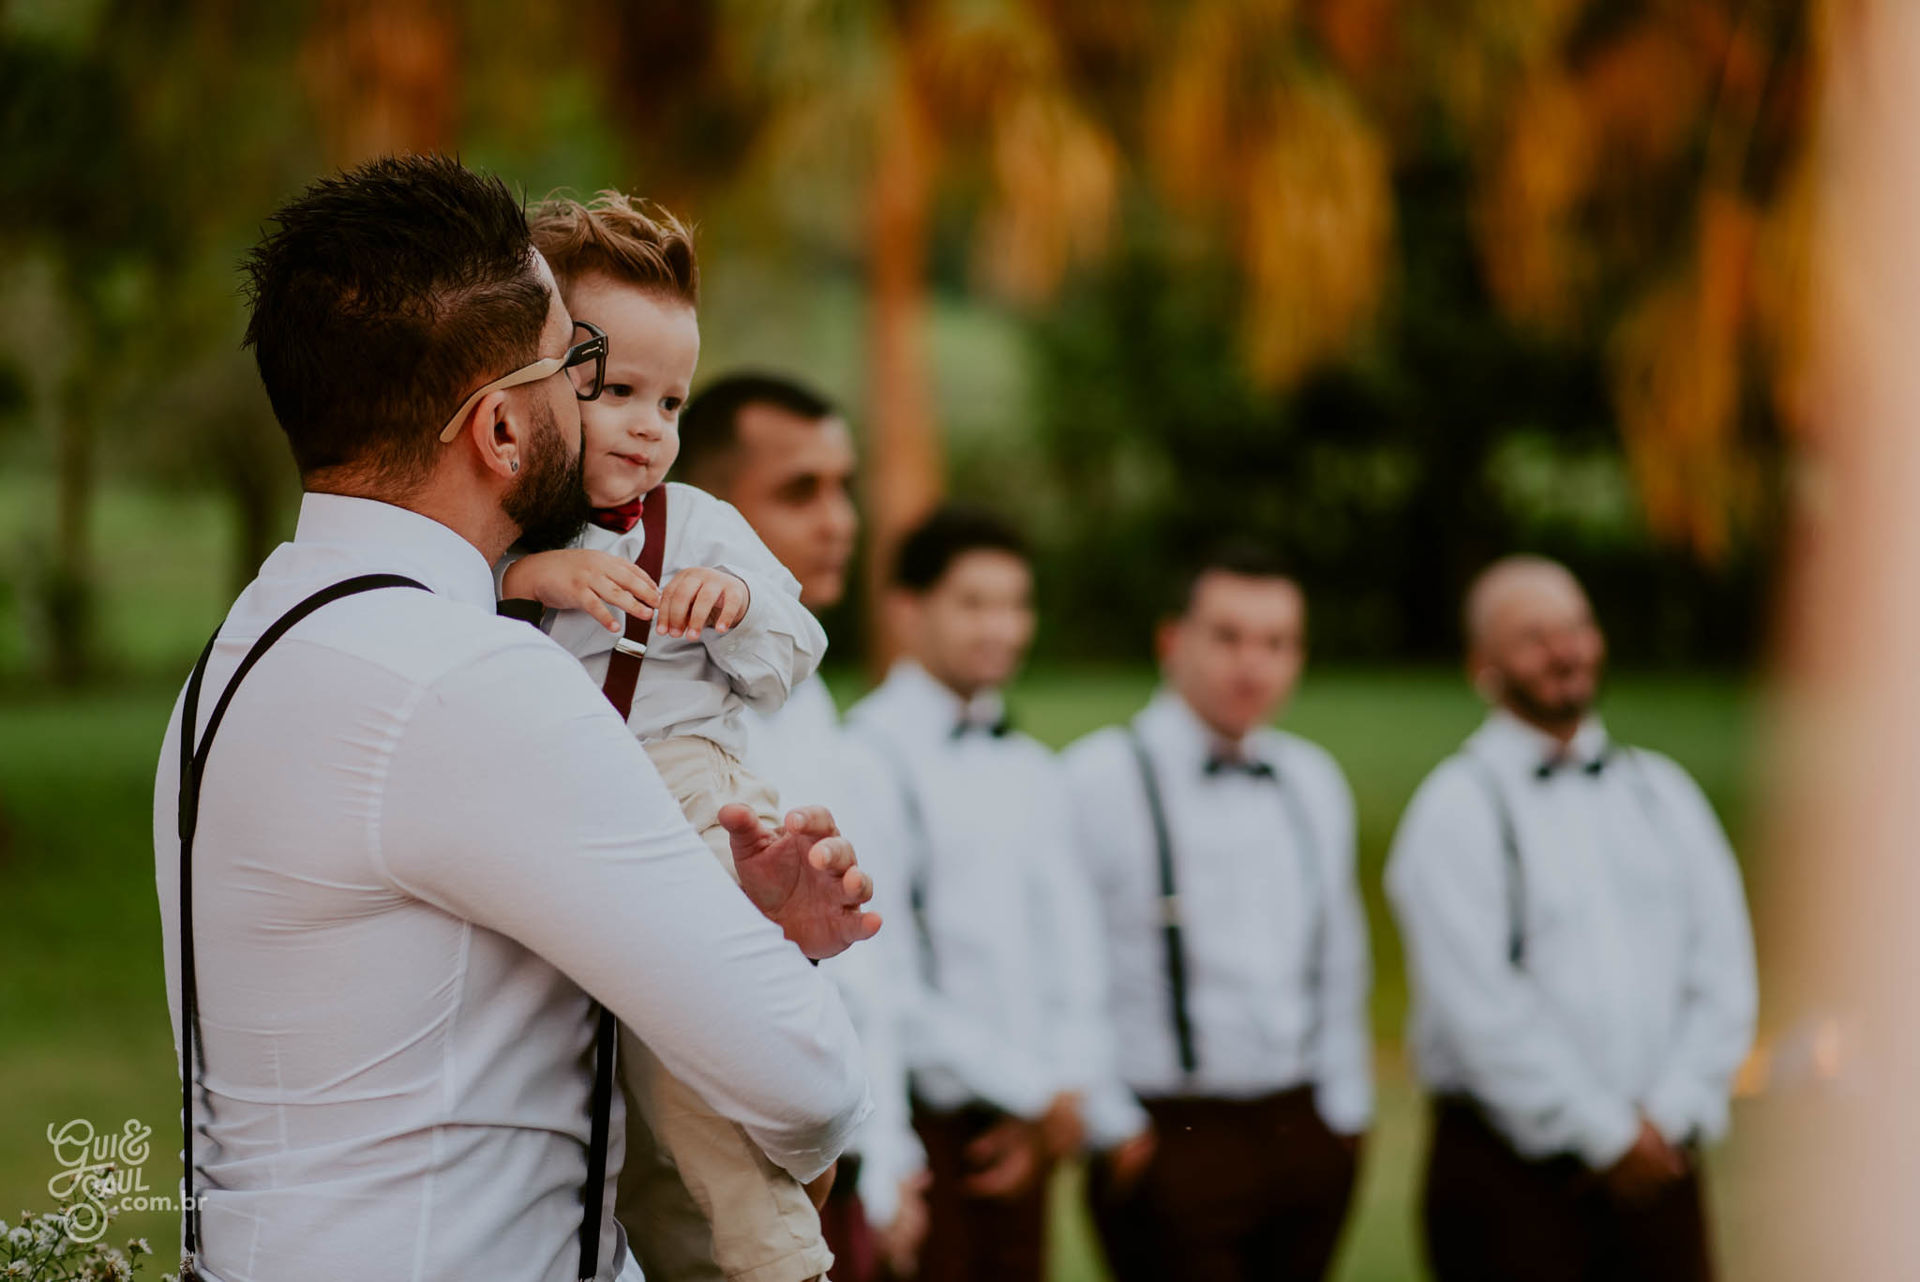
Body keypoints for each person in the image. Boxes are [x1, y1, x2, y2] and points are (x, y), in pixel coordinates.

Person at [152, 155, 879, 1282]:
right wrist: (782, 987)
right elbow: (802, 1077)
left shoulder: (243, 651)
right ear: (499, 429)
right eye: (579, 366)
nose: (617, 414)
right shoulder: (474, 682)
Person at [494, 193, 835, 1282]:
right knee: (613, 1096)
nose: (652, 425)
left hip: (684, 790)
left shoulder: (694, 524)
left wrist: (733, 597)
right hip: (551, 817)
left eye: (673, 400)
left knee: (690, 1036)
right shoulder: (497, 538)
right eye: (620, 391)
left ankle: (770, 1252)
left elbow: (796, 650)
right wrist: (524, 578)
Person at [1385, 555, 1758, 1282]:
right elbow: (1479, 1008)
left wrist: (1672, 1113)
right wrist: (1604, 1135)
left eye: (1577, 628)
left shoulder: (1663, 793)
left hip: (1665, 1160)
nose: (1565, 650)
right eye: (1533, 636)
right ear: (1481, 667)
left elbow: (1723, 969)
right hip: (1511, 1177)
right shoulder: (1455, 810)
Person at [844, 505, 1145, 1282]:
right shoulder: (866, 760)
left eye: (1016, 604)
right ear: (908, 610)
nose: (1003, 628)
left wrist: (1066, 1095)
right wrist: (1037, 1090)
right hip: (926, 1130)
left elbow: (1073, 947)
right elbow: (883, 977)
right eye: (975, 603)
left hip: (1034, 1128)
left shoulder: (1034, 768)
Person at [675, 372, 931, 1281]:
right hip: (709, 1195)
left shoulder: (833, 724)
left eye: (844, 485)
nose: (841, 521)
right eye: (799, 491)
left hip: (848, 1165)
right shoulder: (670, 724)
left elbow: (876, 964)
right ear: (704, 510)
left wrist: (891, 1161)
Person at [1063, 542, 1373, 1282]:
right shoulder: (1095, 778)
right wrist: (1114, 1126)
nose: (1253, 665)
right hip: (1167, 1133)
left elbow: (1340, 958)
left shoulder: (1313, 780)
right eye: (1228, 637)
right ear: (1174, 641)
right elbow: (1065, 963)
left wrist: (1347, 1116)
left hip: (1304, 1127)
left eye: (1277, 643)